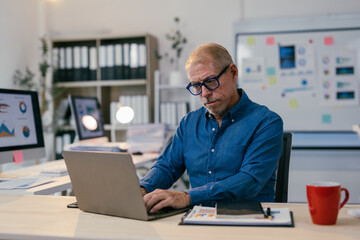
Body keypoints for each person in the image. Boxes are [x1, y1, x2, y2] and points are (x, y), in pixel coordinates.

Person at [139, 42, 283, 213]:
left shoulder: (266, 122)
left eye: (210, 81)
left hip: (248, 220)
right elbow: (167, 166)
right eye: (196, 86)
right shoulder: (189, 123)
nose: (204, 93)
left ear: (233, 72)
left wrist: (187, 197)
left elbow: (249, 180)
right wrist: (143, 189)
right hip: (198, 220)